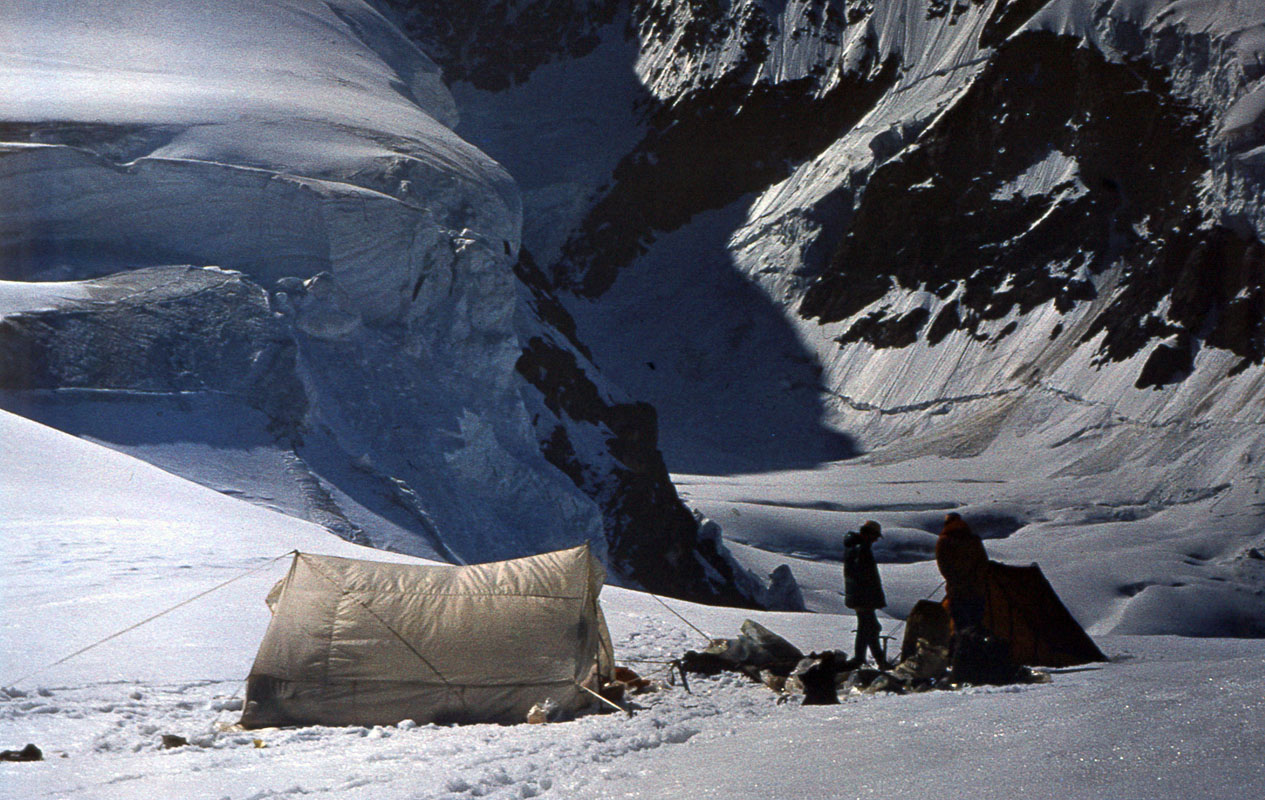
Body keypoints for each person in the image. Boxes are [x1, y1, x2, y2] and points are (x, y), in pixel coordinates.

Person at [843, 520, 890, 669]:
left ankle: (867, 659)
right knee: (870, 627)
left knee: (868, 627)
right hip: (863, 597)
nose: (876, 540)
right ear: (869, 534)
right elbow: (865, 575)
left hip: (858, 596)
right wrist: (873, 596)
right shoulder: (861, 549)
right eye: (875, 536)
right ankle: (871, 660)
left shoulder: (854, 547)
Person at [935, 512, 989, 634]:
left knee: (960, 627)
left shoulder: (944, 541)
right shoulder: (973, 539)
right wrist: (977, 580)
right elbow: (983, 563)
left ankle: (962, 649)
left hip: (957, 592)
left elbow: (944, 567)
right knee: (976, 625)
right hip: (976, 590)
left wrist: (956, 582)